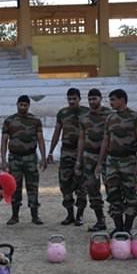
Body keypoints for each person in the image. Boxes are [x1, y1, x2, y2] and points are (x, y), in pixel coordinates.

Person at [95, 89, 137, 234]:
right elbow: (105, 141)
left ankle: (127, 228)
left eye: (113, 100)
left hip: (128, 160)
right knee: (113, 194)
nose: (111, 103)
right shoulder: (110, 118)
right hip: (112, 161)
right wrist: (100, 162)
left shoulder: (135, 117)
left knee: (130, 194)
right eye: (110, 100)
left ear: (122, 100)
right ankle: (118, 227)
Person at [1, 94, 47, 225]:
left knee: (32, 186)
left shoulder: (35, 121)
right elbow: (4, 140)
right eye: (20, 104)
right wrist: (3, 159)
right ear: (17, 104)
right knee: (14, 187)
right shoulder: (9, 121)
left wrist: (43, 157)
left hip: (30, 157)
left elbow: (40, 139)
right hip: (14, 158)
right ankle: (15, 215)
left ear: (29, 106)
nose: (22, 107)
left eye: (25, 105)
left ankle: (35, 215)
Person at [47, 88, 89, 226]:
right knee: (65, 184)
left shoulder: (86, 112)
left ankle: (80, 215)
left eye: (74, 99)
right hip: (66, 152)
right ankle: (69, 214)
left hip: (81, 152)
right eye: (69, 99)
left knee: (81, 184)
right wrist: (51, 152)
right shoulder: (63, 113)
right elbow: (57, 132)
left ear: (79, 98)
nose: (71, 101)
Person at [76, 88, 112, 232]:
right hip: (89, 157)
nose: (92, 102)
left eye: (94, 99)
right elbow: (81, 138)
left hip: (108, 157)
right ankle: (100, 220)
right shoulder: (84, 118)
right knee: (92, 188)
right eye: (90, 99)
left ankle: (117, 220)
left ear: (100, 99)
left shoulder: (109, 115)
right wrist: (79, 160)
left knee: (112, 188)